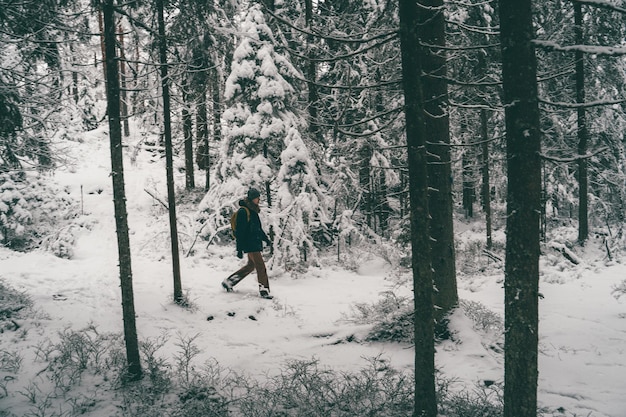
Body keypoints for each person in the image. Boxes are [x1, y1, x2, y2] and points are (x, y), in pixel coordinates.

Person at [222, 187, 273, 299]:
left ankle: (229, 282)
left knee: (251, 265)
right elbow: (240, 232)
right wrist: (239, 249)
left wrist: (266, 239)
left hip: (254, 242)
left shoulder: (253, 211)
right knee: (260, 266)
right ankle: (264, 290)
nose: (258, 199)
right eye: (256, 197)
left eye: (259, 197)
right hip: (250, 244)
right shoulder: (243, 212)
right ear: (251, 198)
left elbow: (257, 228)